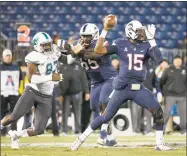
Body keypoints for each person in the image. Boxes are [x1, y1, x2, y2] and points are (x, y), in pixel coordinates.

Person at [70, 17, 172, 151]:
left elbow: (159, 59)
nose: (143, 34)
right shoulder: (120, 43)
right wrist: (105, 30)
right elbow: (99, 50)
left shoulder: (146, 45)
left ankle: (159, 144)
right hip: (122, 87)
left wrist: (152, 40)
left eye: (142, 31)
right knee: (105, 116)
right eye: (139, 31)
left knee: (158, 112)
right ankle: (80, 139)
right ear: (130, 32)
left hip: (138, 88)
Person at [0, 32, 79, 149]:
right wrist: (50, 77)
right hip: (32, 92)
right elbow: (31, 78)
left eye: (48, 44)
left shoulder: (54, 50)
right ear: (37, 45)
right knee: (13, 117)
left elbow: (67, 60)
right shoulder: (33, 56)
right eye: (44, 45)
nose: (48, 47)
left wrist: (73, 53)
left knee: (39, 130)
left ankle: (16, 135)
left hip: (47, 95)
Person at [71, 23, 118, 146]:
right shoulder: (78, 43)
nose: (85, 39)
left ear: (95, 35)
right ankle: (111, 136)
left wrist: (79, 51)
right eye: (83, 36)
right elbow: (68, 56)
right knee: (94, 107)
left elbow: (96, 55)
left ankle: (102, 135)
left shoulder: (102, 43)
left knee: (103, 103)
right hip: (96, 81)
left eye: (88, 36)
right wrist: (71, 50)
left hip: (109, 78)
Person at [58, 60, 89, 134]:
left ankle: (77, 130)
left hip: (77, 92)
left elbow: (84, 79)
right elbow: (59, 81)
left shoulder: (79, 66)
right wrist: (60, 94)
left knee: (77, 112)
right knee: (65, 113)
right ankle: (64, 130)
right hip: (65, 93)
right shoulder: (62, 66)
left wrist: (87, 92)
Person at [160, 55, 186, 135]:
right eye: (177, 60)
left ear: (181, 62)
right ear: (173, 61)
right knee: (166, 113)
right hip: (170, 95)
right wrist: (164, 92)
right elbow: (161, 81)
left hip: (182, 96)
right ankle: (161, 130)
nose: (178, 62)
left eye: (179, 60)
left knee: (184, 114)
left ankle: (184, 131)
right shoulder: (168, 70)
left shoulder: (185, 70)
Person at [1, 49, 23, 136]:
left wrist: (20, 91)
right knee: (1, 113)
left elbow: (21, 79)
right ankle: (2, 132)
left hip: (14, 93)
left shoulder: (16, 67)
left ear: (11, 56)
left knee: (14, 114)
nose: (8, 57)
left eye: (9, 55)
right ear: (3, 57)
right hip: (2, 93)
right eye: (6, 56)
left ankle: (14, 131)